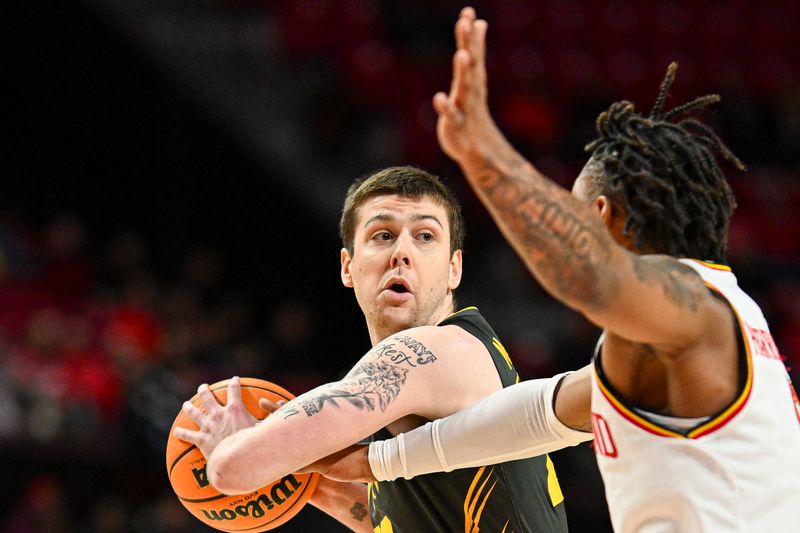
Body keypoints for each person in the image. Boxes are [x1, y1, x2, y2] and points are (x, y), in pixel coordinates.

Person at [309, 7, 800, 533]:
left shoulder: (697, 308)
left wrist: (482, 154)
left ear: (601, 215)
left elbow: (590, 277)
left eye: (574, 208)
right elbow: (532, 417)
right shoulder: (678, 342)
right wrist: (375, 462)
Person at [174, 166, 569, 531]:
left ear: (454, 269)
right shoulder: (420, 393)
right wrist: (305, 476)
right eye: (383, 235)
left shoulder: (433, 352)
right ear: (347, 266)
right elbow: (394, 521)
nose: (402, 253)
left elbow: (233, 469)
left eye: (425, 237)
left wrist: (236, 442)